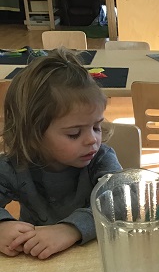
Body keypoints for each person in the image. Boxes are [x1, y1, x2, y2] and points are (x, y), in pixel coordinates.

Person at [0, 48, 122, 259]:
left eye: (96, 127)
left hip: (95, 258)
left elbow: (122, 201)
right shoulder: (14, 165)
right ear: (32, 135)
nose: (92, 140)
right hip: (39, 263)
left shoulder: (101, 158)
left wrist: (71, 229)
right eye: (74, 134)